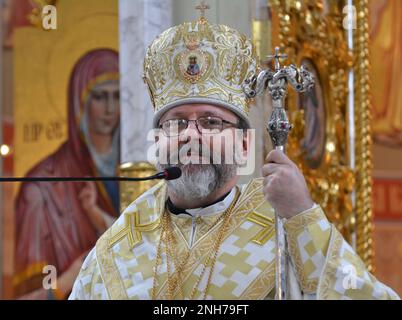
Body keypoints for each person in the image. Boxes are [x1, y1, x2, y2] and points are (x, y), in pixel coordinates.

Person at [69, 18, 398, 300]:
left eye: (211, 122)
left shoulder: (282, 224)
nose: (191, 134)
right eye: (176, 122)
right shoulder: (122, 243)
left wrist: (303, 216)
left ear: (243, 145)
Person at [14, 49, 120, 299]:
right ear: (79, 102)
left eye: (117, 96)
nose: (110, 108)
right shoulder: (41, 187)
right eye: (99, 97)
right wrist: (67, 280)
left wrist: (96, 216)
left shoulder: (138, 172)